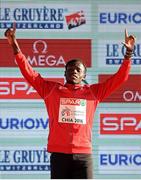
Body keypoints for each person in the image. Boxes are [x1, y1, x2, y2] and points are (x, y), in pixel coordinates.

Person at [4, 23, 136, 179]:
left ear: (84, 76)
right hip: (59, 156)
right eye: (70, 69)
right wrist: (14, 45)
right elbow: (29, 73)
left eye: (78, 70)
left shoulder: (93, 92)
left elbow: (120, 79)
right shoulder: (51, 90)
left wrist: (128, 54)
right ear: (64, 73)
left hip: (83, 156)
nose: (74, 71)